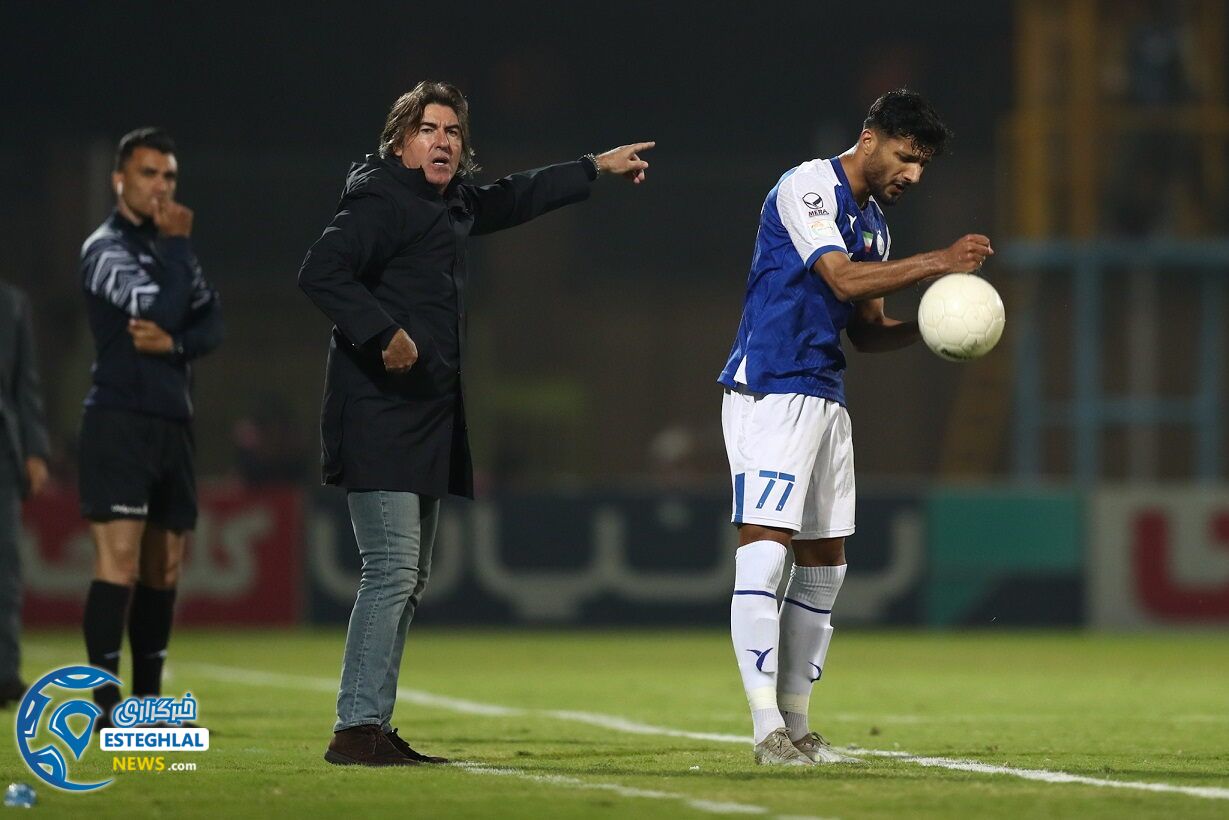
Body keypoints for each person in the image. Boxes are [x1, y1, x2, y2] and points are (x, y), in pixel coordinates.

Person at [298, 80, 653, 767]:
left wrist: (592, 168)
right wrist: (381, 331)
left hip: (422, 415)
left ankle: (371, 724)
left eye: (453, 131)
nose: (443, 141)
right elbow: (320, 271)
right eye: (428, 129)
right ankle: (356, 727)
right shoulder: (380, 200)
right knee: (391, 570)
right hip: (377, 413)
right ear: (400, 142)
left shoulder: (448, 203)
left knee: (408, 576)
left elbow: (513, 197)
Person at [717, 89, 993, 765]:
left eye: (923, 164)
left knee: (825, 566)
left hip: (824, 393)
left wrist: (937, 328)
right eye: (906, 156)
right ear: (870, 139)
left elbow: (865, 333)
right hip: (770, 386)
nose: (913, 174)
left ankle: (797, 724)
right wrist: (940, 262)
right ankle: (764, 729)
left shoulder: (875, 226)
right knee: (766, 551)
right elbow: (840, 281)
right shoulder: (808, 186)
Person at [77, 127, 223, 727]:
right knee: (119, 562)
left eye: (169, 176)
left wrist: (175, 342)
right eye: (148, 173)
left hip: (173, 422)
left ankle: (148, 703)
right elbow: (159, 309)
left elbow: (212, 325)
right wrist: (179, 253)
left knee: (164, 567)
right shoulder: (104, 248)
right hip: (119, 420)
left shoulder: (170, 250)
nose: (161, 186)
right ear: (120, 179)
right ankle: (106, 705)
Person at [0, 281, 51, 708]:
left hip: (3, 452)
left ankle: (4, 675)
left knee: (6, 569)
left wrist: (35, 450)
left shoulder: (12, 303)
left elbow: (25, 385)